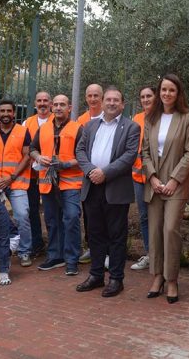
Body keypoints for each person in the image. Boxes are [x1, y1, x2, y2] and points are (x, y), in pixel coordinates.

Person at [75, 87, 140, 297]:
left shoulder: (131, 127)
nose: (111, 103)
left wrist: (105, 173)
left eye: (116, 100)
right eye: (108, 100)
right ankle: (95, 275)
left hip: (115, 189)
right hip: (92, 187)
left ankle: (115, 279)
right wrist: (91, 171)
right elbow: (80, 151)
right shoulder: (90, 125)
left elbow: (129, 156)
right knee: (94, 234)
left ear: (122, 104)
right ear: (102, 103)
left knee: (116, 236)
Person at [142, 74, 189, 303]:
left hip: (176, 182)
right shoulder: (151, 118)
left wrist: (174, 180)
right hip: (155, 183)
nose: (167, 94)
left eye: (171, 90)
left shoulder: (188, 117)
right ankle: (157, 276)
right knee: (155, 230)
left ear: (178, 93)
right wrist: (153, 178)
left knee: (170, 230)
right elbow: (145, 151)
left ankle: (172, 278)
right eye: (163, 90)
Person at [30, 94, 83, 275]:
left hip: (71, 182)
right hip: (48, 181)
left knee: (71, 218)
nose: (59, 107)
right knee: (52, 220)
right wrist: (38, 157)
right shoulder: (44, 128)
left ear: (70, 108)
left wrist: (66, 164)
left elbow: (84, 157)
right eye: (57, 104)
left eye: (63, 105)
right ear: (52, 107)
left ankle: (71, 259)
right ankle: (55, 256)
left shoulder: (78, 129)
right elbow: (32, 148)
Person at [0, 99, 33, 267]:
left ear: (14, 113)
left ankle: (24, 251)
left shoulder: (23, 131)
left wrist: (11, 177)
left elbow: (27, 156)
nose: (5, 114)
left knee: (22, 215)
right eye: (2, 111)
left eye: (8, 111)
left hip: (16, 182)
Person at [77, 83, 104, 264]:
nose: (93, 99)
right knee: (88, 213)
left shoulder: (109, 118)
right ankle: (91, 248)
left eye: (96, 95)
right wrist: (88, 170)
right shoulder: (81, 120)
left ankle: (107, 250)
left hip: (106, 174)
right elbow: (79, 149)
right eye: (90, 96)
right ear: (86, 98)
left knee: (107, 213)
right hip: (87, 174)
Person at [23, 91, 52, 257]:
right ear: (35, 103)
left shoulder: (56, 120)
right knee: (32, 210)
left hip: (51, 174)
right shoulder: (28, 122)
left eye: (45, 100)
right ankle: (36, 243)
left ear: (50, 103)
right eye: (39, 100)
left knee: (51, 211)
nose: (42, 103)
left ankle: (54, 244)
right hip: (32, 175)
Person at [130, 85, 155, 271]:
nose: (146, 99)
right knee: (145, 217)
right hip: (138, 177)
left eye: (149, 96)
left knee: (159, 217)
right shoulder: (137, 118)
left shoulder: (163, 117)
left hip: (157, 176)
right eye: (143, 96)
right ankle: (149, 254)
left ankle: (160, 255)